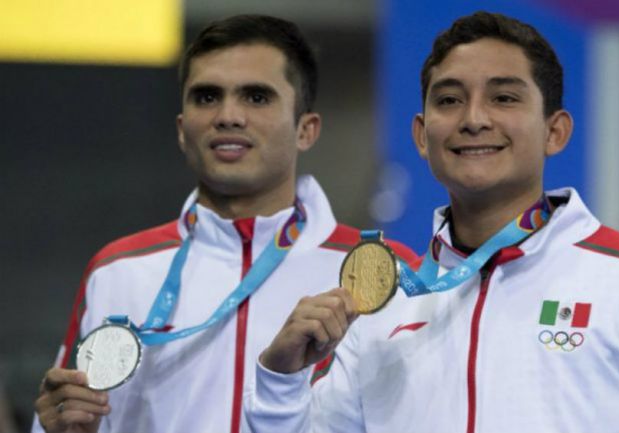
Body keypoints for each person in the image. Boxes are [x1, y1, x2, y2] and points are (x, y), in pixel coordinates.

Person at [245, 11, 619, 433]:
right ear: (422, 136)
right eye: (448, 100)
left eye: (504, 98)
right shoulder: (382, 306)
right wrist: (280, 377)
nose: (473, 119)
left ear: (555, 131)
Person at [32, 14, 416, 433]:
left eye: (256, 97)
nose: (228, 116)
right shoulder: (117, 269)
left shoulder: (382, 275)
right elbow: (69, 417)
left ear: (306, 130)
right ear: (182, 130)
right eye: (206, 97)